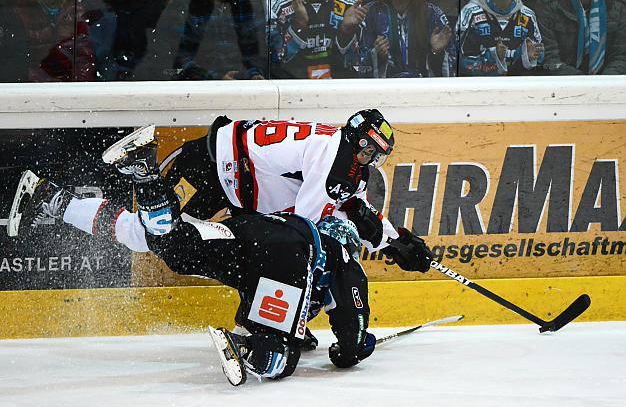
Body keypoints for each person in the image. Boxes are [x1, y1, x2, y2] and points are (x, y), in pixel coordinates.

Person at [9, 167, 391, 386]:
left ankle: (137, 180)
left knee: (176, 248)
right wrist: (353, 347)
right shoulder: (344, 260)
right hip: (287, 257)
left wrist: (300, 329)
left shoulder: (305, 228)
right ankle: (251, 349)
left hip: (253, 231)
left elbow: (274, 293)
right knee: (279, 360)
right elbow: (352, 337)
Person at [7, 110, 433, 276]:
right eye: (368, 149)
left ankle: (51, 199)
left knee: (151, 235)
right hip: (211, 167)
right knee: (152, 235)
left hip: (230, 178)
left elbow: (350, 205)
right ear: (354, 139)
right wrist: (377, 242)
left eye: (376, 155)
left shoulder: (339, 158)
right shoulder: (335, 157)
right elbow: (306, 226)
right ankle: (67, 195)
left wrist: (396, 241)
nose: (369, 159)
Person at [269, 0, 368, 79]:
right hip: (294, 88)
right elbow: (277, 61)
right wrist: (300, 24)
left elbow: (358, 63)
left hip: (337, 89)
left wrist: (346, 30)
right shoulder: (279, 8)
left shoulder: (350, 6)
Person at [357, 0, 456, 78]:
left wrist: (437, 52)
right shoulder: (371, 12)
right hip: (385, 89)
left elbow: (453, 66)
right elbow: (359, 63)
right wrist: (377, 54)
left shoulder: (432, 13)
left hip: (423, 89)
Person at [172, 0, 267, 81]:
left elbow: (256, 53)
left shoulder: (246, 5)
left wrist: (254, 75)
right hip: (199, 90)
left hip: (246, 87)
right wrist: (215, 79)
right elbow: (179, 61)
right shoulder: (186, 6)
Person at [535, 0, 626, 75]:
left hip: (609, 86)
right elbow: (549, 59)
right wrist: (582, 83)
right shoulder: (549, 7)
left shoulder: (618, 8)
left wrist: (602, 83)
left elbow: (621, 57)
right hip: (563, 84)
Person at [457, 0, 544, 76]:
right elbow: (459, 61)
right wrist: (493, 57)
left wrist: (528, 57)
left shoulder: (528, 15)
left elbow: (539, 58)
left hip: (518, 85)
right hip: (480, 86)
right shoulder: (470, 12)